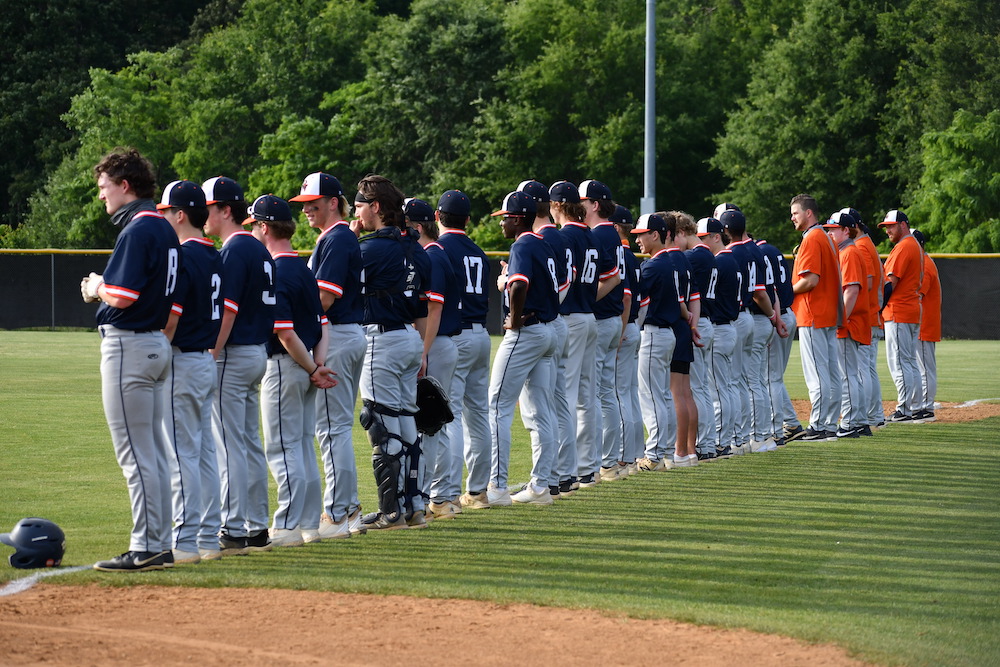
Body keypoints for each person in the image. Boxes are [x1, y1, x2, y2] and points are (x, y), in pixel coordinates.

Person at [83, 148, 180, 572]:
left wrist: (96, 286)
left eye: (105, 187)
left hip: (130, 346)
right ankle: (156, 541)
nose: (101, 196)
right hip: (154, 343)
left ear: (125, 185)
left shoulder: (139, 229)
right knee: (154, 453)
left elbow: (122, 296)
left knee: (137, 455)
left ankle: (147, 545)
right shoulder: (162, 227)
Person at [247, 194, 334, 548]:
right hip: (307, 365)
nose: (252, 230)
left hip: (286, 367)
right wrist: (318, 365)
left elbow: (284, 332)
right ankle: (309, 524)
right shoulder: (301, 266)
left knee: (283, 448)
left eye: (253, 224)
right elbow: (323, 322)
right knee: (300, 445)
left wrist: (313, 366)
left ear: (264, 227)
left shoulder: (279, 270)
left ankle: (286, 527)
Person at [291, 172, 367, 539]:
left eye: (313, 203)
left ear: (333, 202)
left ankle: (337, 513)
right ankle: (349, 509)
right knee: (335, 428)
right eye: (304, 204)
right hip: (344, 334)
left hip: (336, 334)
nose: (307, 209)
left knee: (331, 429)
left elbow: (324, 298)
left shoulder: (336, 239)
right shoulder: (339, 237)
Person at [202, 175, 276, 554]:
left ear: (225, 210)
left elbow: (226, 312)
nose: (204, 214)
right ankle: (257, 526)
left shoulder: (232, 250)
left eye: (209, 208)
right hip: (256, 353)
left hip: (232, 353)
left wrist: (211, 353)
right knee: (247, 444)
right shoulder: (260, 249)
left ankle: (232, 528)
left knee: (229, 447)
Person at [157, 179, 223, 564]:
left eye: (166, 212)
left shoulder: (181, 256)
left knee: (182, 456)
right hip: (206, 359)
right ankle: (208, 537)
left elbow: (170, 321)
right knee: (203, 453)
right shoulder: (214, 254)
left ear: (180, 215)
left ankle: (184, 541)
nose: (163, 217)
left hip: (182, 360)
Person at [355, 174, 424, 530]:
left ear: (376, 207)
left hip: (381, 340)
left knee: (380, 425)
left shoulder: (368, 248)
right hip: (409, 338)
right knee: (406, 425)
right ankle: (414, 507)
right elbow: (423, 305)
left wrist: (348, 241)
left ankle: (391, 512)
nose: (357, 212)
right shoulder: (414, 245)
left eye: (360, 205)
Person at [485, 191, 560, 506]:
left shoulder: (523, 244)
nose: (502, 222)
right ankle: (541, 486)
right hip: (548, 331)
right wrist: (507, 281)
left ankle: (497, 487)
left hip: (527, 333)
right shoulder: (543, 244)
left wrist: (513, 319)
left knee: (497, 406)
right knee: (542, 412)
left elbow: (519, 284)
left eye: (505, 217)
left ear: (517, 218)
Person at [435, 192, 493, 510]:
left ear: (436, 215)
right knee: (478, 414)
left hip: (456, 335)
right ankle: (478, 490)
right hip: (482, 334)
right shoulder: (479, 251)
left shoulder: (439, 249)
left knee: (452, 414)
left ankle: (448, 493)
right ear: (468, 220)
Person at [407, 195, 461, 520]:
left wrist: (422, 353)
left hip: (436, 343)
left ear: (416, 226)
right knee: (435, 425)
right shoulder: (435, 253)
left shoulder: (433, 256)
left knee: (430, 424)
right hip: (439, 343)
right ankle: (440, 496)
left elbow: (434, 308)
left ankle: (434, 496)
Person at [518, 179, 572, 498]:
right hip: (559, 323)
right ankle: (560, 473)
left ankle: (550, 476)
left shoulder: (543, 238)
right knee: (558, 402)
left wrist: (547, 309)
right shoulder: (557, 236)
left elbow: (560, 287)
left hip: (549, 322)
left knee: (541, 406)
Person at [550, 181, 601, 489]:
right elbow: (611, 279)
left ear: (557, 206)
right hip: (589, 316)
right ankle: (586, 467)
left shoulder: (562, 236)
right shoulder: (591, 237)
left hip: (570, 317)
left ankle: (562, 471)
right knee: (586, 396)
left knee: (564, 396)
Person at [720, 208, 784, 453]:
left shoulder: (734, 253)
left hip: (751, 317)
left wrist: (770, 315)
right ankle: (760, 435)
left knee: (743, 382)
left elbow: (759, 293)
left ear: (725, 231)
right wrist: (775, 317)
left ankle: (754, 437)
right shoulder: (757, 249)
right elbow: (772, 290)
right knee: (753, 381)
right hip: (760, 319)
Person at [633, 214, 689, 471]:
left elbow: (641, 304)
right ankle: (664, 450)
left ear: (655, 234)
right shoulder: (670, 262)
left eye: (641, 235)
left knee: (651, 395)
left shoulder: (654, 266)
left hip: (655, 332)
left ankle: (654, 454)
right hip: (668, 333)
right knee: (663, 395)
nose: (638, 240)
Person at [578, 180, 626, 482]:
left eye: (582, 201)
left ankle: (593, 464)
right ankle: (609, 461)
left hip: (599, 319)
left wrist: (584, 299)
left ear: (595, 204)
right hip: (612, 319)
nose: (577, 205)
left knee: (591, 394)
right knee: (607, 393)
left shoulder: (598, 235)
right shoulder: (613, 234)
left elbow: (613, 278)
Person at [789, 194, 842, 442]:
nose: (792, 217)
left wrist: (786, 292)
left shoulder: (812, 238)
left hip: (812, 313)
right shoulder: (827, 238)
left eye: (796, 213)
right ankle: (829, 424)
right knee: (830, 373)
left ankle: (819, 425)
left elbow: (810, 280)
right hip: (827, 313)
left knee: (818, 375)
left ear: (809, 213)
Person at [824, 211, 872, 438]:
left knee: (847, 375)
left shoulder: (849, 252)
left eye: (833, 229)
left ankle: (851, 422)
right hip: (854, 320)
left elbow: (851, 290)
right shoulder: (847, 251)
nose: (829, 232)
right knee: (852, 373)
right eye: (829, 229)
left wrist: (840, 320)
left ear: (847, 230)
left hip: (849, 321)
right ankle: (859, 420)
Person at [877, 210, 924, 423]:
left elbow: (890, 284)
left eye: (891, 226)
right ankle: (914, 406)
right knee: (909, 361)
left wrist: (877, 307)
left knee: (899, 362)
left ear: (903, 225)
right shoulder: (913, 245)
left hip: (899, 310)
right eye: (886, 226)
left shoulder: (904, 247)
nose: (887, 230)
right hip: (910, 309)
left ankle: (904, 409)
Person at [699, 217, 741, 458]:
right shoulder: (730, 259)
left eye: (705, 238)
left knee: (718, 389)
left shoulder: (720, 261)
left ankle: (721, 441)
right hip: (728, 326)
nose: (702, 242)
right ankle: (728, 438)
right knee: (725, 387)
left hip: (722, 326)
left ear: (717, 236)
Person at [677, 213, 718, 460]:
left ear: (682, 232)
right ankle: (707, 443)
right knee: (702, 387)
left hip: (699, 321)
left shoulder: (694, 256)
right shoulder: (707, 254)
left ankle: (705, 443)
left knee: (698, 388)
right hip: (706, 320)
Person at [755, 233, 802, 444]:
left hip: (775, 317)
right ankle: (791, 423)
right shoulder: (773, 250)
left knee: (770, 377)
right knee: (774, 376)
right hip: (787, 313)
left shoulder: (757, 253)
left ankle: (776, 430)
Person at [845, 209, 887, 430]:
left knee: (863, 369)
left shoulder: (861, 246)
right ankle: (875, 414)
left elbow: (868, 282)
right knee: (867, 368)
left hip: (866, 315)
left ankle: (869, 415)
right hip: (871, 314)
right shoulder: (866, 244)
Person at [611, 205, 643, 473]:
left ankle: (624, 457)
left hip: (624, 327)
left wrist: (621, 331)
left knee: (620, 393)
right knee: (629, 393)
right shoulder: (632, 256)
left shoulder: (619, 254)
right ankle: (633, 452)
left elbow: (627, 297)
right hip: (632, 326)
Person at [913, 229, 940, 423]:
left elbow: (918, 295)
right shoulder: (924, 262)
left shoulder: (925, 265)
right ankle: (924, 406)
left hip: (924, 325)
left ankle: (926, 408)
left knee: (924, 369)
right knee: (923, 368)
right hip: (923, 323)